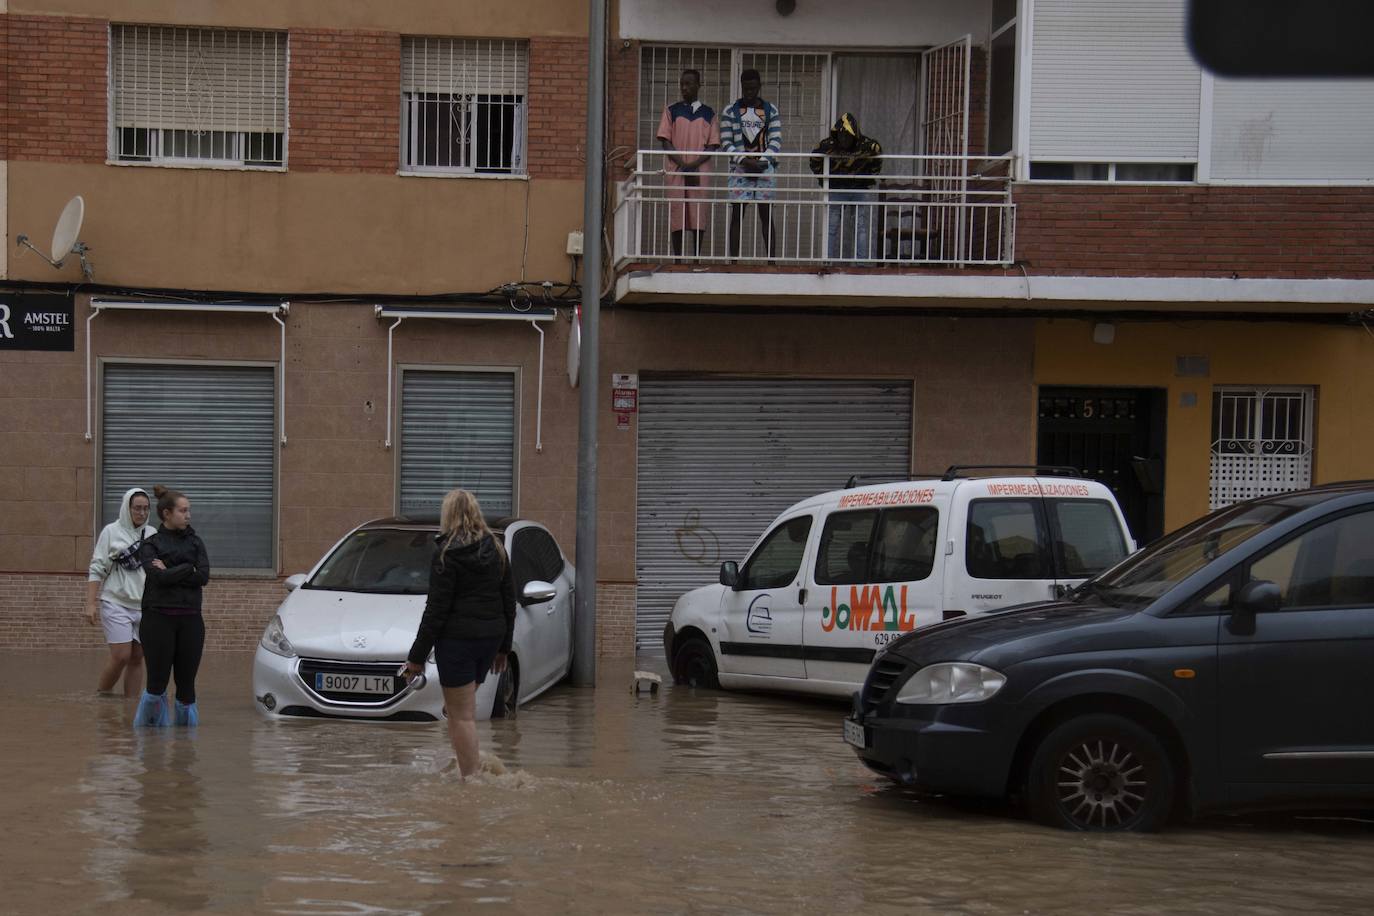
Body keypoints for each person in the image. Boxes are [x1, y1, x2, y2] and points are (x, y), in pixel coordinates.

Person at [402, 489, 516, 779]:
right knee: (458, 711)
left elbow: (436, 611)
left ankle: (470, 781)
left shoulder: (446, 553)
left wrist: (415, 658)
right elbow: (509, 600)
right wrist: (504, 647)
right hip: (490, 639)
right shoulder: (497, 547)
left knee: (461, 716)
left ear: (448, 515)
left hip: (458, 642)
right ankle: (466, 768)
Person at [134, 485, 210, 727]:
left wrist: (171, 569)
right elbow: (157, 577)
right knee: (156, 683)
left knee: (186, 685)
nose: (188, 515)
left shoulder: (196, 542)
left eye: (189, 510)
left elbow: (203, 577)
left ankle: (185, 743)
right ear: (167, 513)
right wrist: (188, 568)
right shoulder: (150, 544)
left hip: (191, 620)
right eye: (183, 511)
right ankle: (149, 740)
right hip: (157, 619)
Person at [85, 488, 158, 697]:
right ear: (127, 508)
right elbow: (97, 567)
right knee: (121, 655)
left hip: (144, 605)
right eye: (137, 508)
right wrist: (90, 603)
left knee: (137, 657)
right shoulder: (111, 531)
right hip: (115, 602)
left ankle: (130, 705)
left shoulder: (152, 534)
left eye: (146, 508)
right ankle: (103, 696)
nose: (142, 513)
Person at [656, 68, 721, 259]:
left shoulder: (709, 113)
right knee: (677, 210)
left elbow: (712, 146)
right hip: (677, 168)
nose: (684, 88)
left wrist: (693, 165)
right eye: (682, 84)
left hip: (699, 170)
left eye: (689, 84)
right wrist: (682, 164)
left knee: (698, 211)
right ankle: (678, 258)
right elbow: (665, 141)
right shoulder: (672, 110)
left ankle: (696, 258)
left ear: (699, 85)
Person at [719, 69, 782, 260]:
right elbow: (726, 142)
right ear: (741, 86)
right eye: (746, 89)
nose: (749, 93)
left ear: (759, 87)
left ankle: (771, 262)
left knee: (766, 215)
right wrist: (745, 161)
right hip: (740, 169)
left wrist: (763, 161)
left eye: (753, 88)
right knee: (737, 215)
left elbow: (776, 140)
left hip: (764, 168)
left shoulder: (771, 110)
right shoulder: (730, 111)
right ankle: (734, 262)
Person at [810, 113, 883, 263]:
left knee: (860, 227)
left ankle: (860, 263)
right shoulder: (829, 144)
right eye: (841, 136)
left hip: (858, 188)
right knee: (832, 226)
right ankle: (827, 261)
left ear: (854, 135)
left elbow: (877, 154)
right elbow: (814, 159)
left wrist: (869, 177)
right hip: (838, 188)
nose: (844, 139)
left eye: (847, 136)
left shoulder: (865, 144)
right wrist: (824, 180)